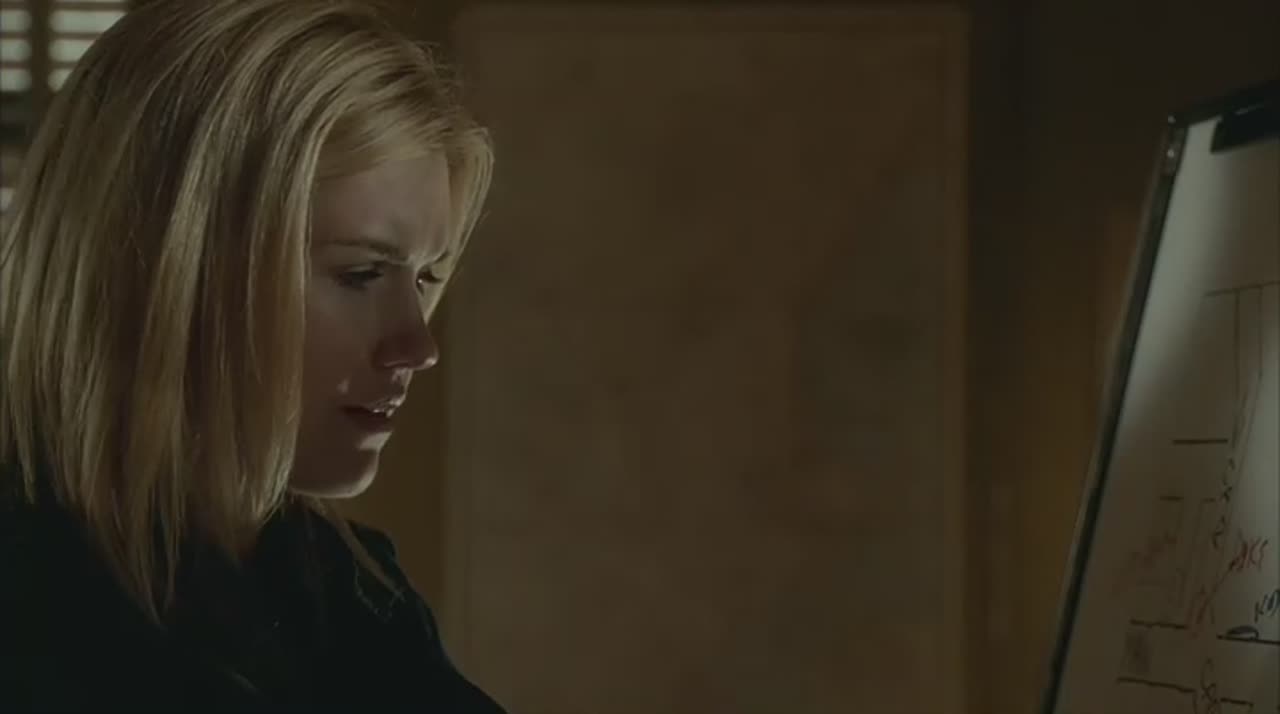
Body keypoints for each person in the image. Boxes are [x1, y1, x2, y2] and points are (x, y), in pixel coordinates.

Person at [0, 0, 503, 711]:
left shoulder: (352, 596)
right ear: (173, 265)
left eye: (424, 278)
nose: (417, 345)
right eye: (361, 274)